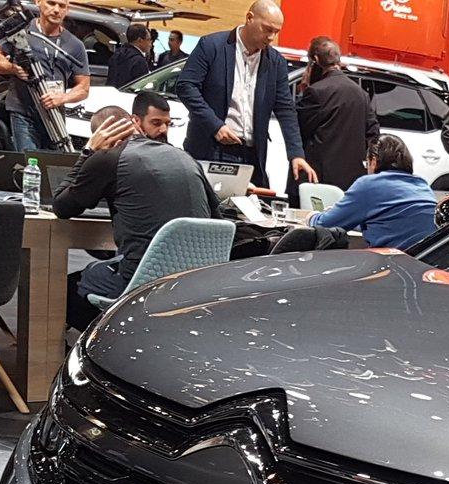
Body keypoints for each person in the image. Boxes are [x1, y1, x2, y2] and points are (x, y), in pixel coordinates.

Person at [55, 101, 220, 328]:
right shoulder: (185, 157)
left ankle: (104, 345)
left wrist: (88, 151)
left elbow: (61, 206)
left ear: (100, 136)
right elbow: (217, 216)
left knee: (62, 290)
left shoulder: (107, 157)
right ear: (135, 124)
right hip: (196, 284)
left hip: (142, 285)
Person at [173, 0, 312, 190]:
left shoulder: (276, 62)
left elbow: (285, 109)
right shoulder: (212, 45)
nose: (271, 37)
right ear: (249, 18)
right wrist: (215, 125)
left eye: (276, 32)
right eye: (267, 29)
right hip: (211, 147)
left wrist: (296, 153)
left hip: (251, 155)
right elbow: (186, 86)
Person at [0, 0, 90, 153]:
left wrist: (63, 98)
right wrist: (12, 69)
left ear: (67, 9)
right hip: (23, 111)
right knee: (30, 159)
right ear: (38, 2)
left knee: (55, 161)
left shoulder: (75, 45)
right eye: (51, 3)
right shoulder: (21, 31)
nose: (56, 10)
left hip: (54, 112)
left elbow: (84, 87)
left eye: (62, 6)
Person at [310, 134, 438, 249]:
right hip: (426, 258)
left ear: (374, 160)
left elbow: (325, 224)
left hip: (394, 260)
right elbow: (396, 222)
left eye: (367, 163)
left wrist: (311, 217)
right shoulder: (422, 184)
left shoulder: (369, 184)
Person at [294, 37, 377, 198]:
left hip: (317, 180)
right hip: (352, 181)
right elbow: (373, 133)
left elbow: (297, 128)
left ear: (315, 60)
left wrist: (302, 91)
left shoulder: (315, 92)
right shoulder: (361, 94)